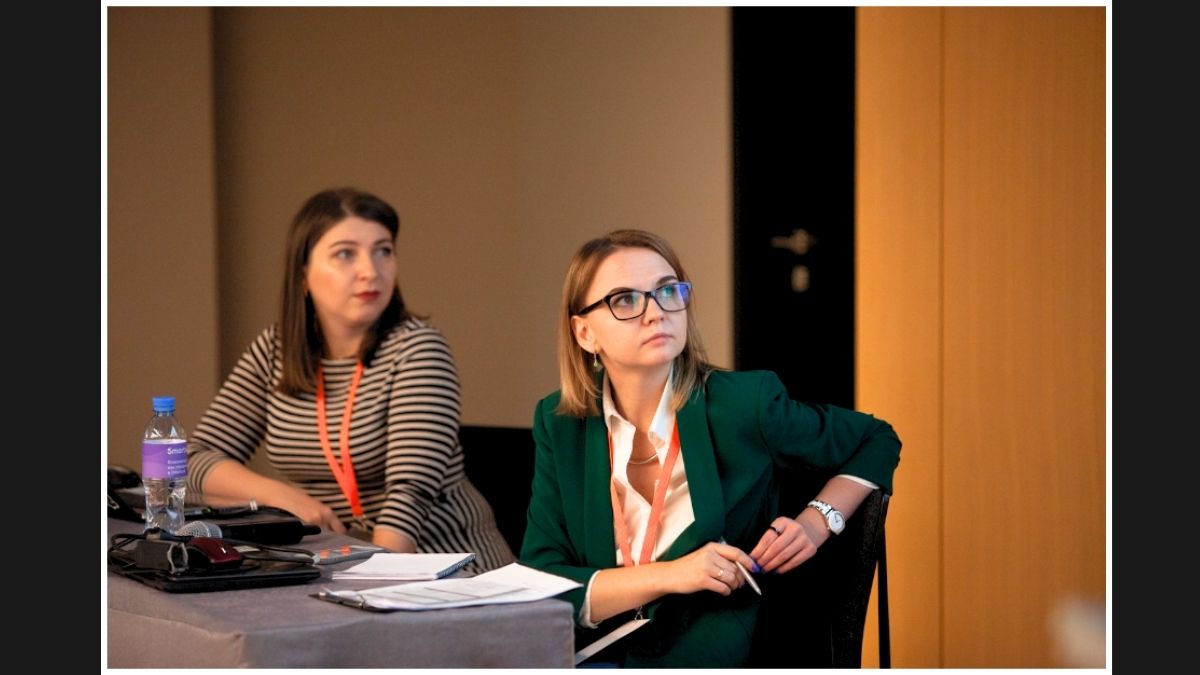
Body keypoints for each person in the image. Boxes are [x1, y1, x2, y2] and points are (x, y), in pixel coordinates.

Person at [519, 229, 901, 667]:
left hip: (707, 649)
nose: (655, 313)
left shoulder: (743, 404)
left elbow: (876, 437)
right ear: (584, 332)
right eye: (625, 300)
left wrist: (819, 522)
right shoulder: (560, 422)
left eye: (667, 291)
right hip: (593, 650)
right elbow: (542, 581)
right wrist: (671, 576)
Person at [185, 187, 513, 572]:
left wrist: (373, 578)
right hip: (345, 565)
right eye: (345, 254)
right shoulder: (276, 349)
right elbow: (190, 461)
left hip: (446, 573)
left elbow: (409, 498)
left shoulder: (418, 349)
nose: (370, 271)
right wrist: (284, 498)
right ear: (303, 274)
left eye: (383, 250)